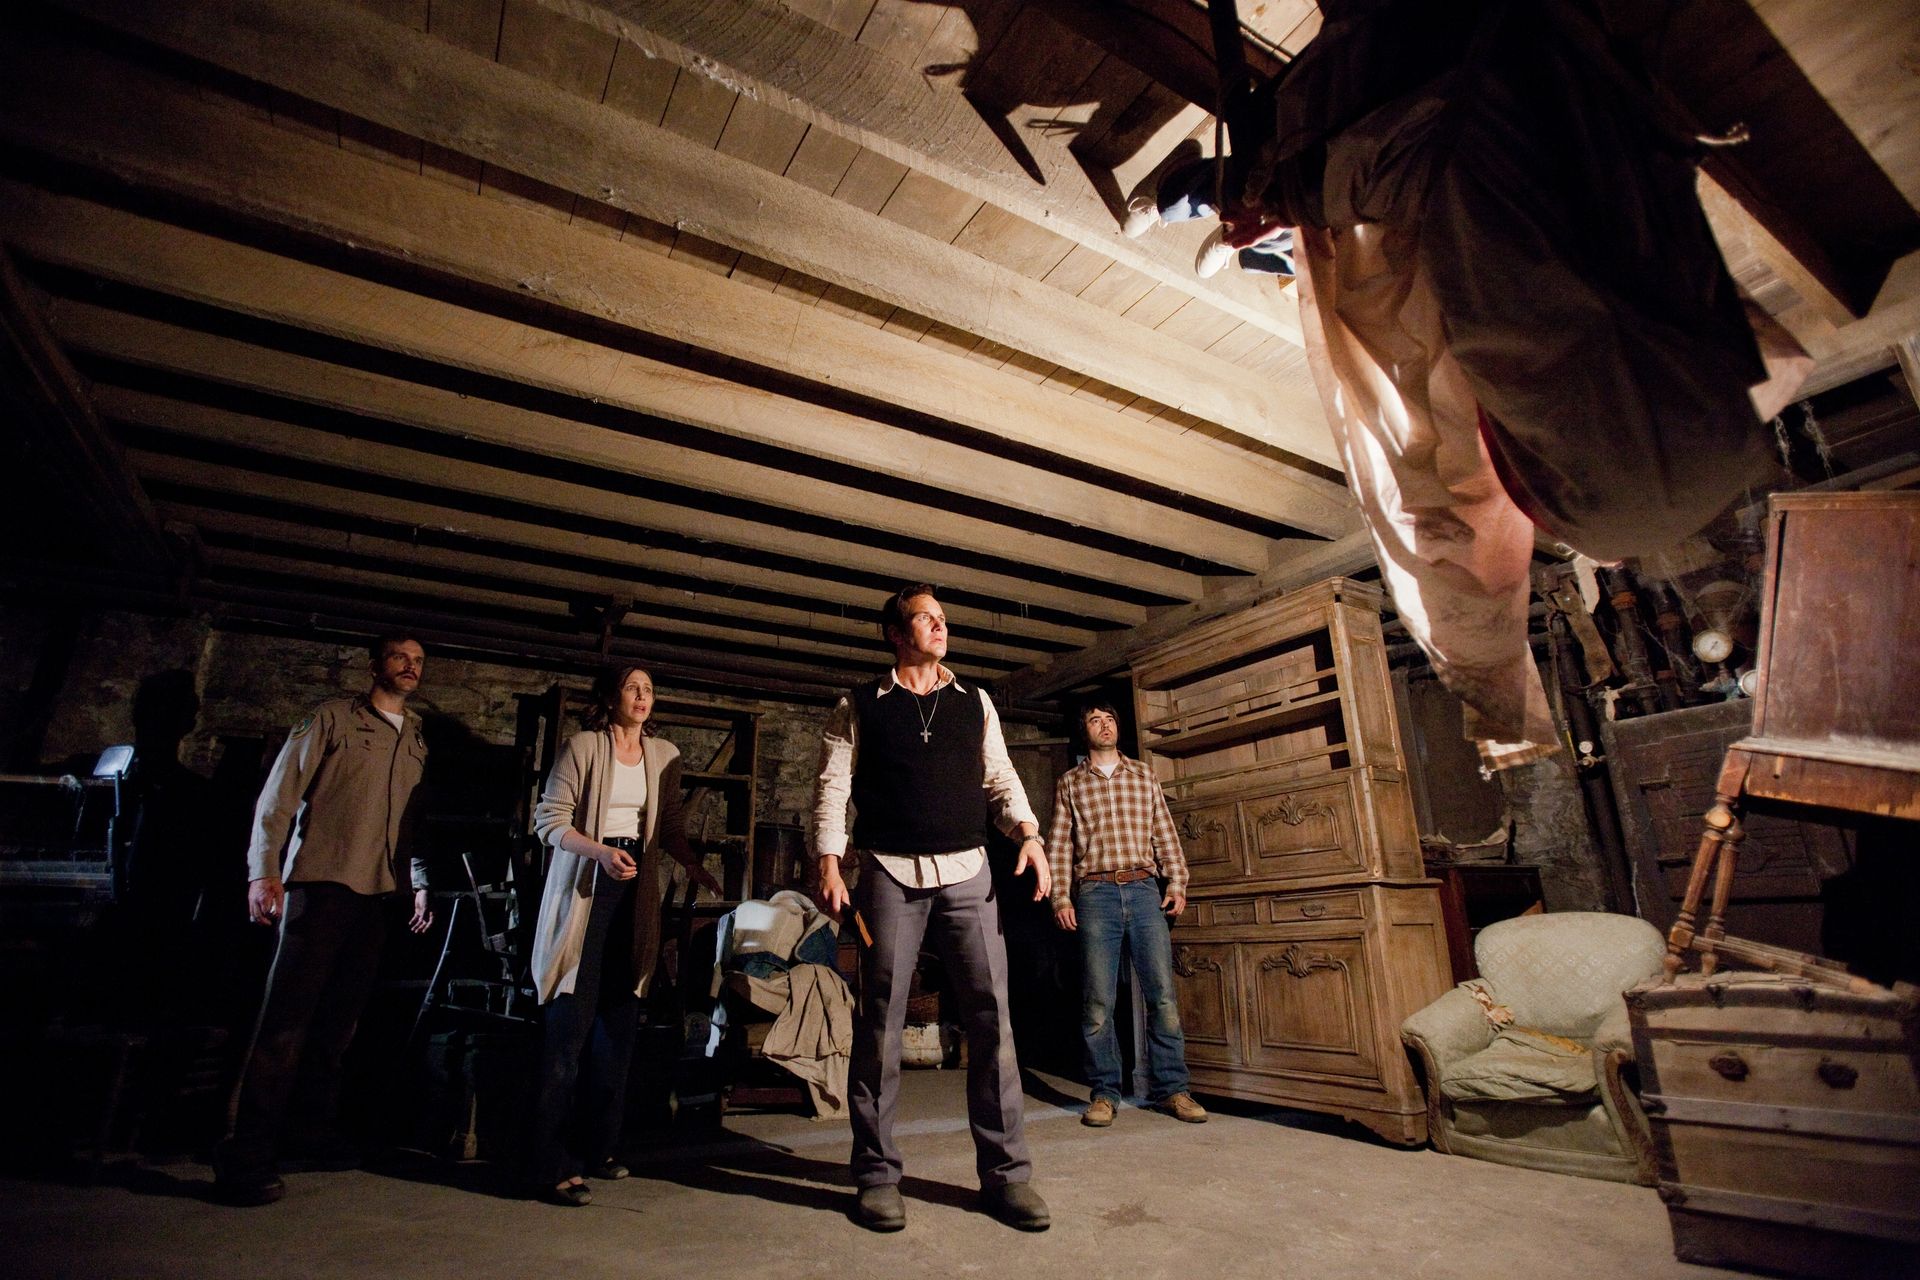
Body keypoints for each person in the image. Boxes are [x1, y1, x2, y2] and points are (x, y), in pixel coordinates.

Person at [814, 584, 1053, 1233]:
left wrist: (1029, 836)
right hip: (889, 873)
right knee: (880, 1024)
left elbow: (1000, 778)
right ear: (896, 633)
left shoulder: (974, 701)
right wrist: (829, 861)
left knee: (992, 1018)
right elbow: (832, 787)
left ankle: (1007, 1176)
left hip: (969, 871)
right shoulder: (859, 704)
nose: (941, 626)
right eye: (926, 618)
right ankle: (876, 1176)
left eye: (944, 618)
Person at [213, 634, 435, 1206]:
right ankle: (245, 1153)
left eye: (417, 661)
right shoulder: (331, 719)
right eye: (400, 657)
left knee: (338, 1027)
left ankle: (307, 1134)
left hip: (378, 895)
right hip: (321, 885)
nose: (410, 667)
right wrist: (263, 872)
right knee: (284, 1024)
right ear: (375, 665)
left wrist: (417, 882)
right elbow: (277, 798)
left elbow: (409, 823)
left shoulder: (415, 736)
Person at [526, 662, 721, 1207]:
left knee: (619, 1023)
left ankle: (599, 1148)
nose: (642, 695)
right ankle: (550, 1164)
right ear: (611, 697)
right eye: (632, 687)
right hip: (586, 891)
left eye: (649, 689)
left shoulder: (663, 755)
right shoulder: (583, 747)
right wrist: (601, 852)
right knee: (570, 1026)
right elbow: (549, 821)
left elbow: (670, 827)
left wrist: (693, 865)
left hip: (636, 894)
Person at [1048, 699, 1207, 1129]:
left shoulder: (1143, 775)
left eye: (1109, 719)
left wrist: (1176, 882)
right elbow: (1059, 844)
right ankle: (1105, 1093)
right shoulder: (1070, 783)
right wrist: (1061, 898)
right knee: (1098, 1001)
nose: (1104, 726)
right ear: (1084, 731)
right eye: (1094, 720)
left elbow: (1164, 832)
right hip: (1095, 893)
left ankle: (1173, 1089)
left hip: (1142, 890)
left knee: (1162, 997)